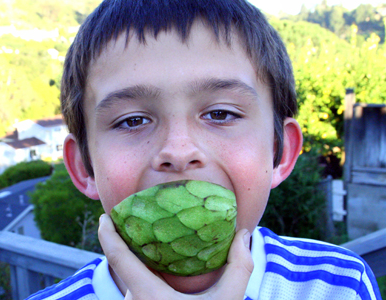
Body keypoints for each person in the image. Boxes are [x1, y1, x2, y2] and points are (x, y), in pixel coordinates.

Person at [27, 0, 381, 299]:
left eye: (221, 113)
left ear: (280, 151)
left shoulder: (338, 286)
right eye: (132, 121)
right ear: (84, 167)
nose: (179, 151)